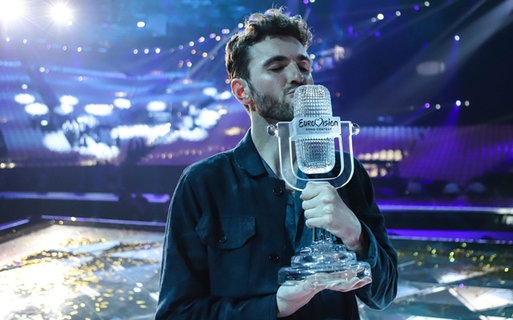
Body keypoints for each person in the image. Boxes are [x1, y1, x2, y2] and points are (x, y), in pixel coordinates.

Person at [155, 7, 398, 319]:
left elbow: (384, 294)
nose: (298, 76)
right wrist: (275, 307)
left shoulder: (346, 174)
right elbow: (177, 313)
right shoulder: (203, 183)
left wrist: (355, 234)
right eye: (276, 67)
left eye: (304, 66)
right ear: (243, 91)